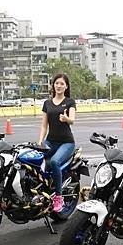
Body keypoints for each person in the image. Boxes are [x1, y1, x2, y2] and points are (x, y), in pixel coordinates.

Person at [37, 73, 76, 213]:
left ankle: (59, 197)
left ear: (66, 86)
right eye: (56, 83)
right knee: (36, 159)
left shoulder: (70, 102)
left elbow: (72, 119)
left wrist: (66, 119)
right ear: (53, 85)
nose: (59, 86)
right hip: (50, 141)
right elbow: (43, 126)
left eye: (62, 84)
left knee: (54, 162)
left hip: (67, 143)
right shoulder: (47, 103)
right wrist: (40, 142)